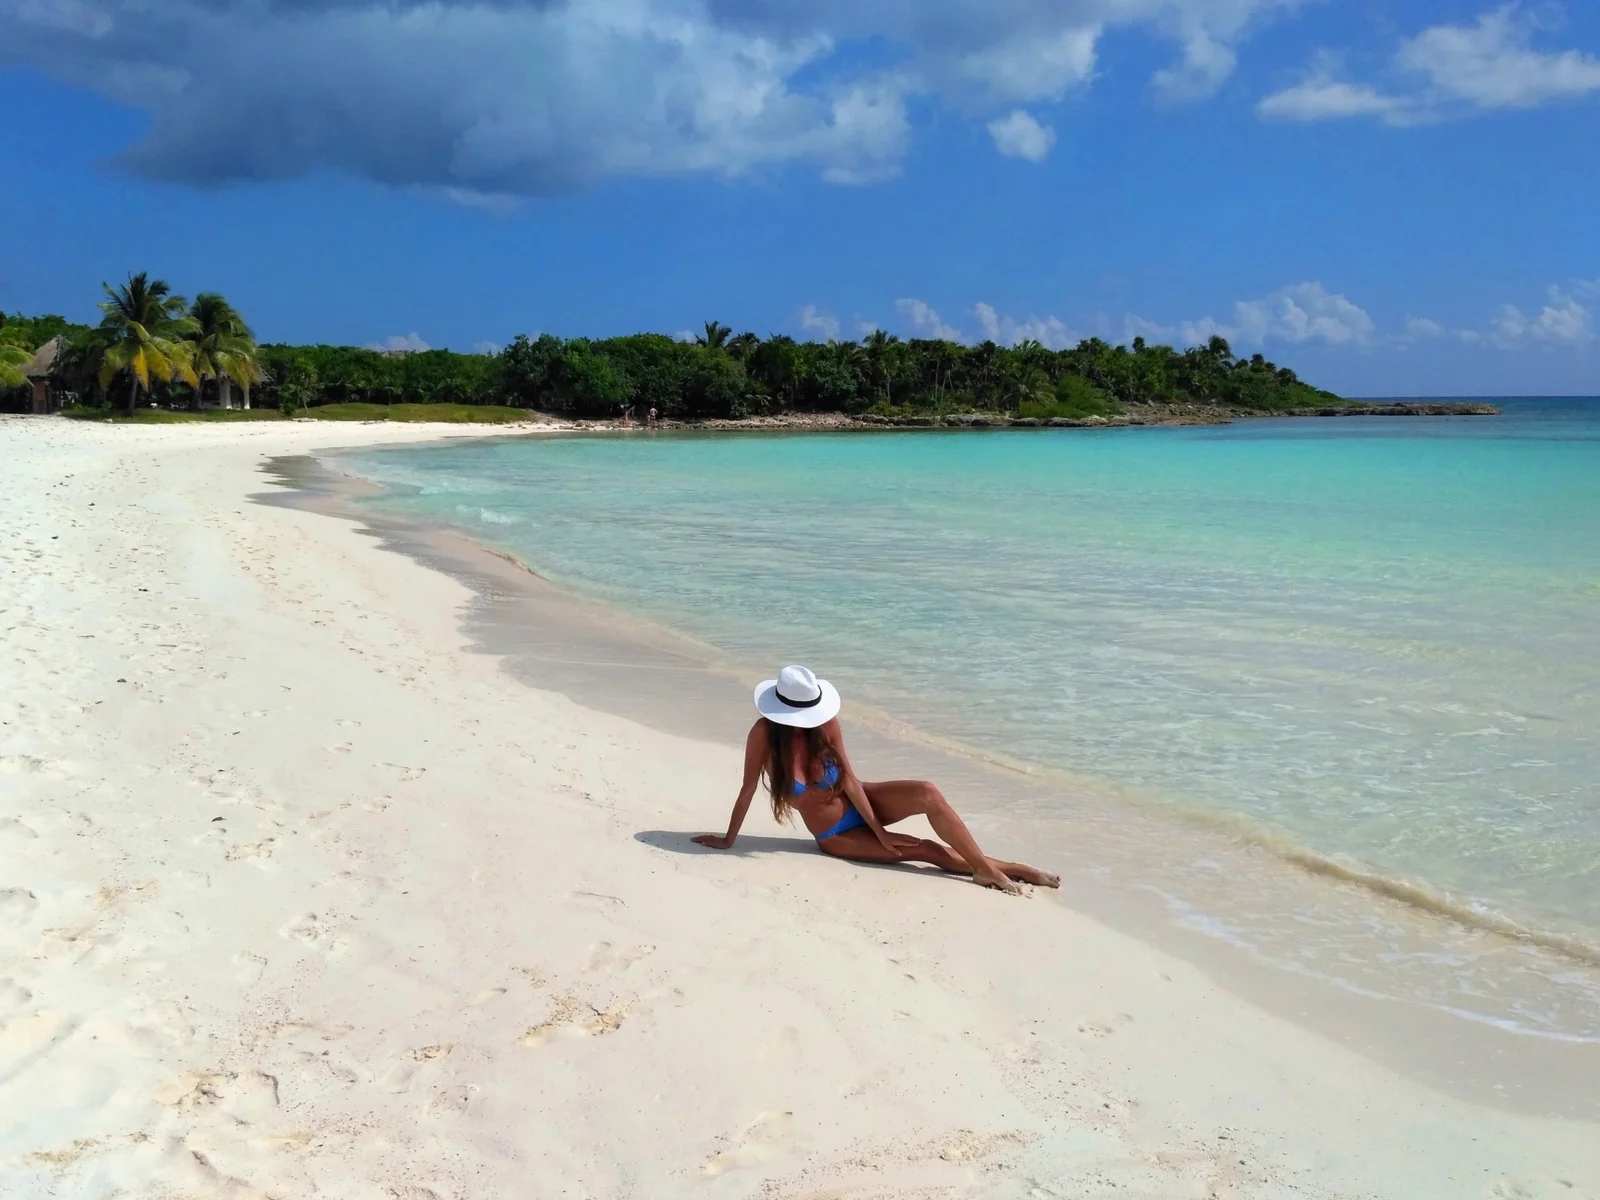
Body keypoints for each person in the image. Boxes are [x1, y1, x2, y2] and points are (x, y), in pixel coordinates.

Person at [694, 666, 1059, 893]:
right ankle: (1004, 870)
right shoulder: (763, 735)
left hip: (861, 802)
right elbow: (746, 789)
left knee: (927, 792)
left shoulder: (826, 724)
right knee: (927, 850)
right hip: (836, 835)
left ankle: (986, 870)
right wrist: (729, 840)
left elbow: (850, 779)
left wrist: (880, 830)